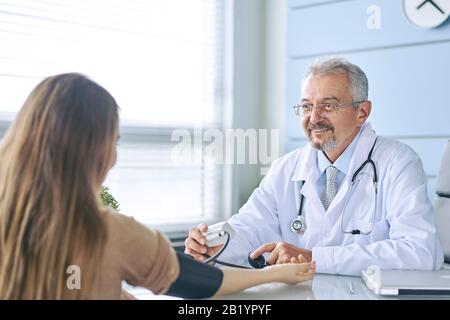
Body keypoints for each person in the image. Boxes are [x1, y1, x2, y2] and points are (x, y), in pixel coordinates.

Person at [0, 73, 315, 300]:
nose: (114, 157)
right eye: (115, 142)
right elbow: (205, 283)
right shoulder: (110, 232)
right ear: (96, 151)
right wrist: (272, 274)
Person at [185, 56, 444, 276]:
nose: (314, 118)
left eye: (328, 106)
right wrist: (215, 246)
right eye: (307, 106)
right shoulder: (286, 168)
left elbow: (421, 252)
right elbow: (249, 227)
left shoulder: (398, 162)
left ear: (361, 112)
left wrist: (314, 257)